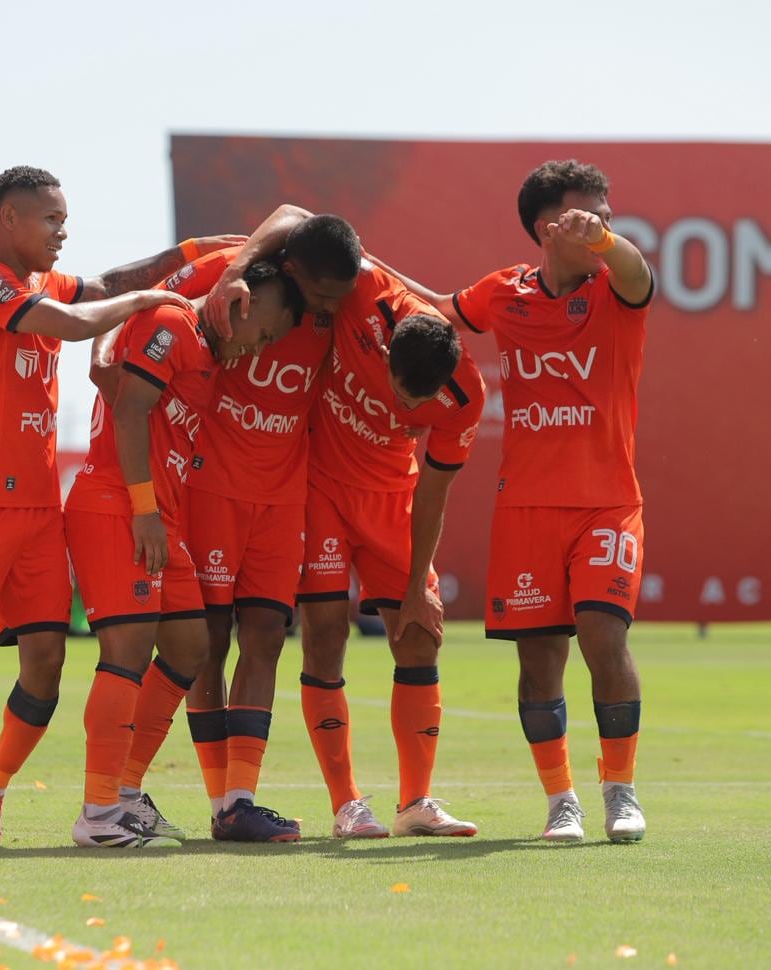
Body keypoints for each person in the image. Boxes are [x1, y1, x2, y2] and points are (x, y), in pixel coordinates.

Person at [0, 164, 231, 852]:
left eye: (64, 218)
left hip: (37, 513)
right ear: (8, 222)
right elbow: (75, 321)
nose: (63, 230)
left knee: (47, 662)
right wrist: (156, 296)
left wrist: (198, 254)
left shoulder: (44, 280)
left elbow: (108, 285)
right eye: (50, 218)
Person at [376, 159, 653, 843]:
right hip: (526, 508)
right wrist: (367, 271)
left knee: (603, 636)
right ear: (545, 227)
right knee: (538, 662)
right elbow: (439, 309)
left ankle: (621, 792)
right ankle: (562, 802)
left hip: (606, 503)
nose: (601, 226)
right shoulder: (504, 294)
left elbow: (640, 274)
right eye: (587, 217)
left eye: (607, 217)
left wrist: (608, 242)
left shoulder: (615, 289)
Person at [204, 209, 487, 839]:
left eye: (421, 404)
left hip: (392, 500)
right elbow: (295, 218)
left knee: (419, 636)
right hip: (320, 490)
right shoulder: (360, 289)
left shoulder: (466, 397)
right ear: (385, 346)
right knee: (325, 633)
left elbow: (434, 490)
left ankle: (416, 803)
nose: (409, 411)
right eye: (401, 395)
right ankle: (347, 805)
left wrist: (418, 586)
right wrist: (231, 274)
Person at [94, 215, 355, 842]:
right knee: (201, 641)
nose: (328, 310)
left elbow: (309, 226)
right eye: (319, 297)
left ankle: (237, 800)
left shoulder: (340, 281)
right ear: (287, 274)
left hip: (282, 490)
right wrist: (104, 355)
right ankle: (129, 792)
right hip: (209, 480)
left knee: (266, 633)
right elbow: (136, 317)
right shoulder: (221, 268)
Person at [65, 260, 304, 848]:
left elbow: (110, 376)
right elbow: (128, 411)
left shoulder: (203, 351)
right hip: (121, 508)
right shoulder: (171, 321)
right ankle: (98, 815)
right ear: (243, 302)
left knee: (189, 646)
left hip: (159, 519)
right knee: (126, 651)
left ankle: (123, 792)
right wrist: (145, 510)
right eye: (265, 333)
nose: (258, 350)